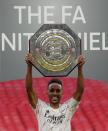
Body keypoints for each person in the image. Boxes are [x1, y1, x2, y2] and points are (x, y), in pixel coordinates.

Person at [25, 53, 85, 131]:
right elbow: (29, 89)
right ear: (47, 93)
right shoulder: (40, 107)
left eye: (58, 91)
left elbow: (80, 91)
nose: (55, 93)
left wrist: (80, 68)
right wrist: (29, 66)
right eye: (52, 90)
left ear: (62, 93)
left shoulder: (68, 108)